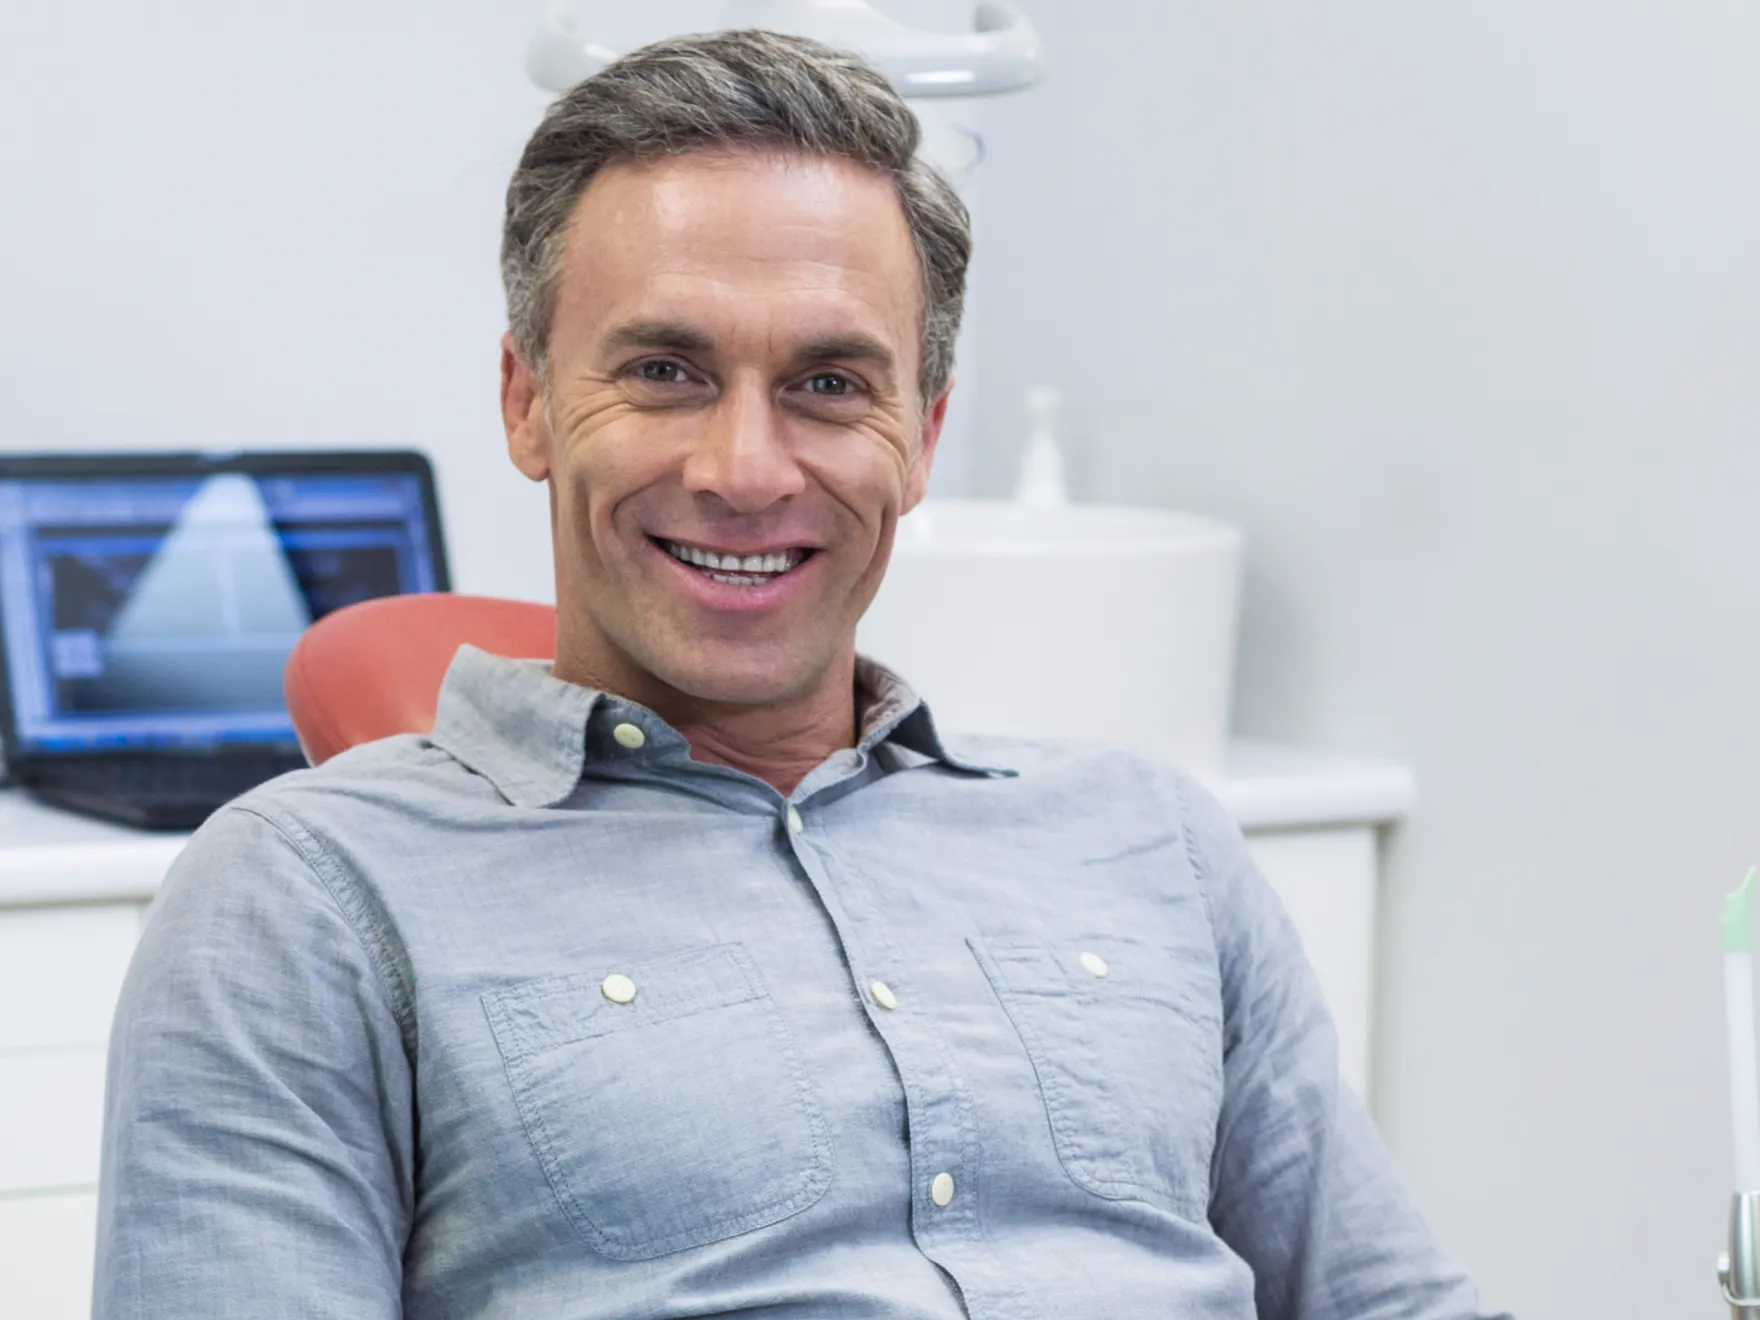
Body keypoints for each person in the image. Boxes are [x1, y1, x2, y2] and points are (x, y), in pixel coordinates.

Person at [95, 29, 1508, 1320]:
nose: (746, 471)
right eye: (663, 371)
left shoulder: (1156, 844)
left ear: (922, 432)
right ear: (527, 401)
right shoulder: (305, 901)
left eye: (831, 385)